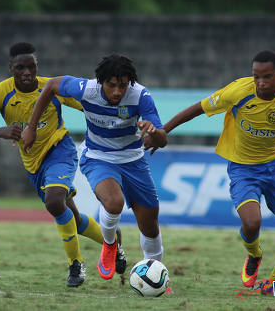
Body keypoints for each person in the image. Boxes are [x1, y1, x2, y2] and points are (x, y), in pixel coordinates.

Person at [146, 50, 275, 294]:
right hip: (243, 169)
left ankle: (272, 283)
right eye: (256, 77)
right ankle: (254, 254)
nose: (261, 82)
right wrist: (161, 132)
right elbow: (197, 108)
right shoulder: (238, 91)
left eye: (267, 77)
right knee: (252, 223)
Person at [0, 42, 127, 287]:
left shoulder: (51, 87)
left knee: (55, 202)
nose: (27, 72)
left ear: (37, 67)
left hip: (61, 150)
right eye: (20, 68)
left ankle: (76, 265)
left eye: (31, 67)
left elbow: (88, 103)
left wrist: (117, 111)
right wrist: (1, 131)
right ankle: (113, 242)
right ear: (11, 68)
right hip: (34, 165)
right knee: (73, 221)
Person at [22, 54, 168, 281]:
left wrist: (154, 132)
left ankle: (157, 275)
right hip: (98, 157)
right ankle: (110, 244)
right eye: (112, 86)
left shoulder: (141, 95)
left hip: (133, 160)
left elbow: (161, 140)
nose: (118, 92)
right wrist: (31, 127)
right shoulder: (85, 89)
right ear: (101, 82)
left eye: (122, 85)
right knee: (114, 202)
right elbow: (50, 85)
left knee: (150, 225)